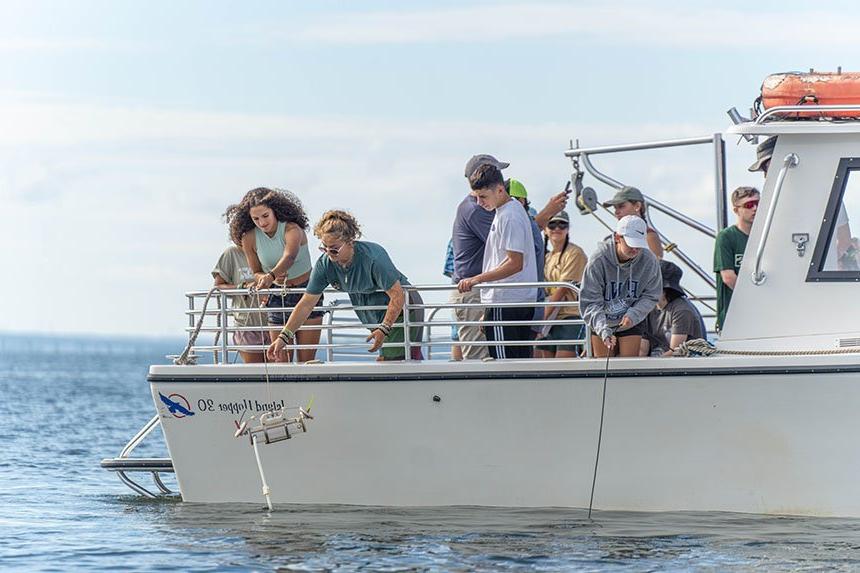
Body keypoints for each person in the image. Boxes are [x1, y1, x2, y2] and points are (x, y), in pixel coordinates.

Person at [268, 210, 423, 362]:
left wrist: (384, 327)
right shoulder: (325, 264)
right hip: (373, 314)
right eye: (324, 248)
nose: (329, 253)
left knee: (392, 361)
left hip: (404, 307)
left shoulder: (374, 258)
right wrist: (284, 336)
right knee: (398, 359)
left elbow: (397, 295)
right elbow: (306, 303)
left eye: (334, 249)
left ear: (350, 242)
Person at [223, 187, 323, 363]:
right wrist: (265, 277)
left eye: (265, 216)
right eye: (256, 218)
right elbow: (256, 271)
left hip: (306, 293)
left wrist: (271, 275)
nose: (261, 222)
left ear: (275, 211)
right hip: (277, 296)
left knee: (306, 361)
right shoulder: (249, 238)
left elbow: (289, 256)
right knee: (281, 360)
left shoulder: (292, 229)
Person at [458, 163, 538, 359]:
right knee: (518, 362)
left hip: (507, 300)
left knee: (505, 363)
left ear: (500, 190)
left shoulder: (509, 215)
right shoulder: (507, 212)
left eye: (483, 197)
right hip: (510, 300)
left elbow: (515, 262)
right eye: (476, 197)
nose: (479, 203)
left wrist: (477, 279)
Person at [580, 215, 662, 357]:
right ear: (618, 238)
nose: (635, 249)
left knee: (628, 367)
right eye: (631, 244)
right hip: (602, 320)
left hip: (631, 320)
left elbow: (652, 295)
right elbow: (590, 302)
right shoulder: (598, 260)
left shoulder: (649, 260)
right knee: (603, 365)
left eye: (639, 245)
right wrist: (603, 329)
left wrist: (634, 313)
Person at [535, 211, 588, 358]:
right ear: (545, 229)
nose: (557, 228)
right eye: (552, 224)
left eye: (562, 224)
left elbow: (562, 290)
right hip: (551, 318)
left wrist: (540, 321)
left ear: (568, 229)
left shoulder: (575, 253)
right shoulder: (547, 257)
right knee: (540, 363)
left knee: (564, 365)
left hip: (570, 316)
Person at [713, 186, 759, 332]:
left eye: (758, 203)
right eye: (749, 205)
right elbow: (728, 277)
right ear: (736, 210)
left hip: (760, 315)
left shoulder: (765, 237)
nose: (755, 208)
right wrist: (755, 297)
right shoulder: (726, 237)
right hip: (734, 316)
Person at [211, 245, 268, 363]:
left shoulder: (269, 248)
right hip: (246, 324)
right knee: (255, 374)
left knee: (278, 373)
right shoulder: (232, 253)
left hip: (275, 322)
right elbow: (218, 287)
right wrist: (242, 287)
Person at [507, 178, 547, 342]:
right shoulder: (530, 225)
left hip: (522, 302)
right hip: (532, 301)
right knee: (523, 353)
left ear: (520, 201)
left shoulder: (520, 225)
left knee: (511, 358)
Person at [640, 260, 706, 356]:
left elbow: (675, 352)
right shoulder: (647, 309)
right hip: (657, 361)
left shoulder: (681, 310)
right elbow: (642, 351)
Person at [603, 186, 664, 258]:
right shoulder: (613, 238)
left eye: (621, 206)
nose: (616, 212)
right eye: (615, 208)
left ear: (637, 206)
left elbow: (655, 267)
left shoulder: (649, 236)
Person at [442, 238, 463, 361]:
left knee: (457, 336)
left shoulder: (455, 237)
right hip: (462, 290)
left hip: (459, 289)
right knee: (457, 336)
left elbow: (449, 270)